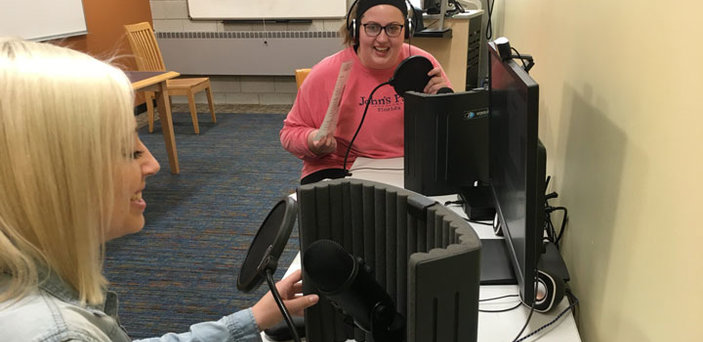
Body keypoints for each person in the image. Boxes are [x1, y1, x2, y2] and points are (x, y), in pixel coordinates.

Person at [0, 38, 318, 341]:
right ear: (55, 172)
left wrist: (252, 320)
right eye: (129, 150)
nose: (153, 164)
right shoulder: (60, 333)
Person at [280, 0, 452, 184]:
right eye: (372, 27)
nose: (383, 39)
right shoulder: (326, 73)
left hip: (411, 167)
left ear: (407, 30)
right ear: (355, 30)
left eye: (393, 28)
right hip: (343, 167)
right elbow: (289, 133)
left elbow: (453, 130)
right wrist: (311, 140)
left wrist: (442, 104)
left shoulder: (421, 65)